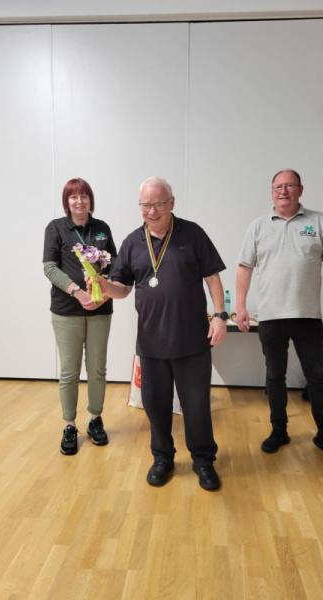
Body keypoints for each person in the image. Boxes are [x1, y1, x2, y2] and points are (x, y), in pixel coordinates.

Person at [96, 176, 227, 490]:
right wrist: (104, 287)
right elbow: (123, 288)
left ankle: (203, 461)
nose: (151, 211)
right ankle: (162, 458)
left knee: (196, 406)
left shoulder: (193, 234)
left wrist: (220, 316)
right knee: (155, 405)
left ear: (171, 203)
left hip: (192, 339)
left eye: (157, 204)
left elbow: (212, 276)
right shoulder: (132, 242)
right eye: (145, 205)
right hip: (151, 341)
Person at [235, 169, 323, 464]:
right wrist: (241, 306)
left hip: (307, 316)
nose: (283, 191)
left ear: (301, 189)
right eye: (278, 186)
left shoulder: (319, 222)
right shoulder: (258, 226)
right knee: (274, 376)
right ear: (271, 191)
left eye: (289, 186)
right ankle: (279, 431)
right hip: (270, 317)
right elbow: (244, 267)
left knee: (316, 377)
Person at [43, 178, 117, 455]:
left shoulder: (102, 228)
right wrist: (77, 292)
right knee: (69, 371)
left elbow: (115, 265)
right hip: (66, 311)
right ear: (67, 201)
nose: (79, 201)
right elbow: (49, 267)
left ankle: (95, 419)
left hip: (100, 310)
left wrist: (104, 294)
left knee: (97, 368)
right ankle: (70, 425)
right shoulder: (56, 228)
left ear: (90, 200)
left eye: (84, 196)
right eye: (73, 196)